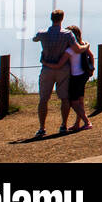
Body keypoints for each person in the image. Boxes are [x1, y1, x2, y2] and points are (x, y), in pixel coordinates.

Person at [32, 9, 75, 137]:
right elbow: (75, 47)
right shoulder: (67, 34)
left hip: (47, 69)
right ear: (62, 19)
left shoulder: (42, 33)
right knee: (64, 98)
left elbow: (35, 39)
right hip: (63, 70)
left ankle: (41, 128)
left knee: (43, 99)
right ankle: (63, 125)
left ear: (51, 18)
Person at [64, 25, 94, 130]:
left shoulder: (71, 48)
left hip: (75, 77)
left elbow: (62, 61)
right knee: (80, 101)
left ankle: (87, 122)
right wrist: (91, 69)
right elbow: (91, 56)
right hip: (83, 75)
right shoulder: (83, 45)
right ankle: (77, 123)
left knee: (74, 102)